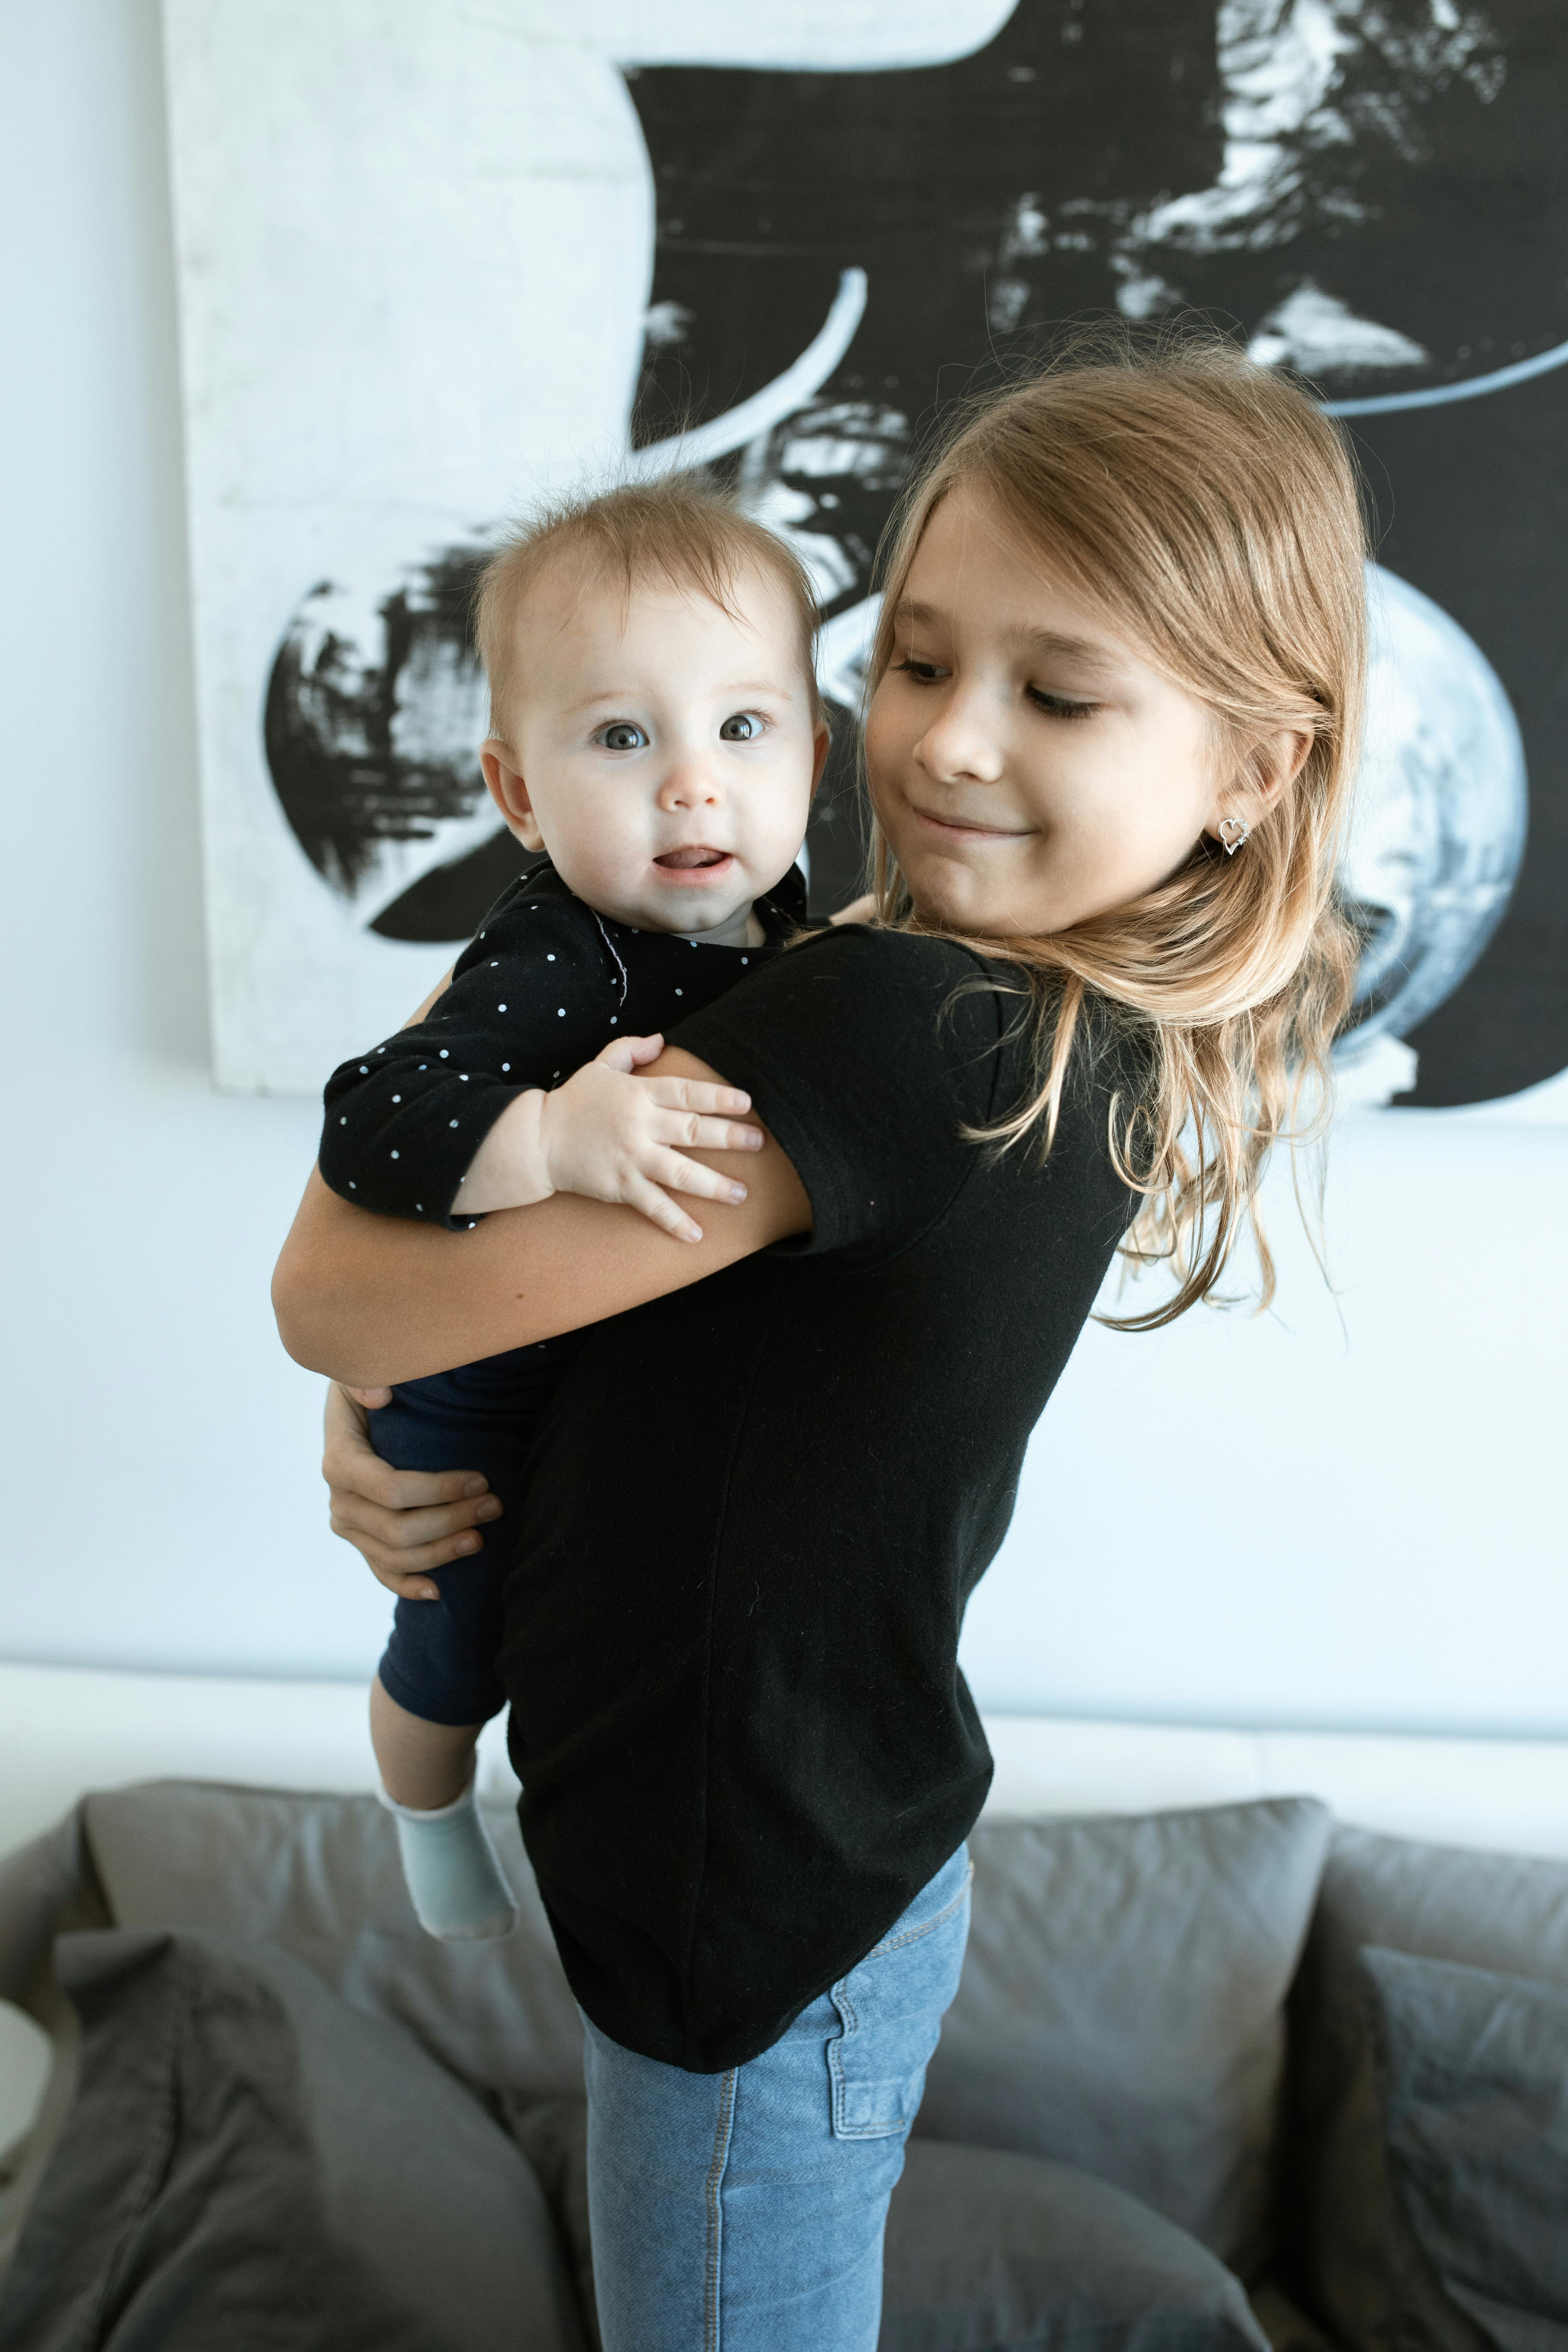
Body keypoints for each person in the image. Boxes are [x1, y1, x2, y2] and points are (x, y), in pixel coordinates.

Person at [276, 335, 1367, 2352]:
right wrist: (405, 1423)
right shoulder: (1006, 1005)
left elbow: (328, 1293)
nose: (946, 744)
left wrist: (370, 1373)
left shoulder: (899, 1030)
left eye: (1059, 692)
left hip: (748, 1908)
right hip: (792, 1859)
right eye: (924, 659)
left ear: (1251, 763)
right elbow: (661, 1363)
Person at [314, 479, 834, 1944]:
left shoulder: (790, 931)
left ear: (812, 747)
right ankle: (425, 1812)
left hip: (616, 1394)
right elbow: (375, 1118)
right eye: (622, 737)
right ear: (517, 794)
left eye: (744, 727)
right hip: (482, 1395)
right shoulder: (565, 958)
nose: (692, 784)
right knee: (456, 1643)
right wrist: (552, 1135)